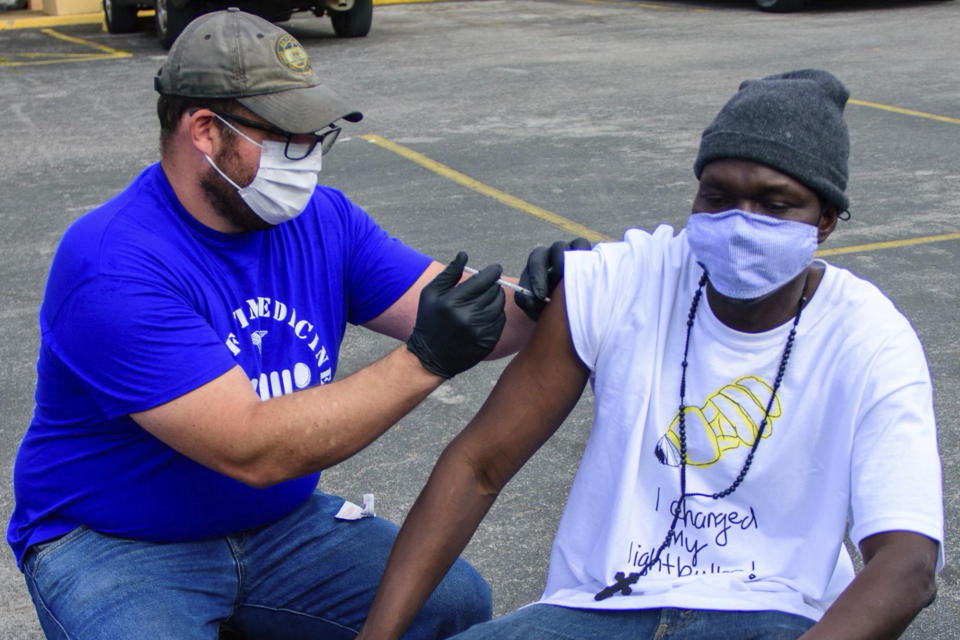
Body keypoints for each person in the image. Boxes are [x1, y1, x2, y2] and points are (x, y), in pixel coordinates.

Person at [6, 9, 586, 639]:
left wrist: (543, 298)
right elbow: (253, 449)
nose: (308, 157)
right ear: (204, 129)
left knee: (449, 601)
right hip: (117, 542)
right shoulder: (113, 264)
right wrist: (423, 361)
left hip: (277, 527)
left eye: (318, 135)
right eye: (290, 136)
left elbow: (452, 310)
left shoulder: (320, 220)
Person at [356, 69, 945, 640]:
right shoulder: (617, 281)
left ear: (824, 220)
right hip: (599, 609)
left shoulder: (870, 335)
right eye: (718, 197)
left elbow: (907, 562)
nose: (740, 223)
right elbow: (478, 466)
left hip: (774, 613)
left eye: (774, 203)